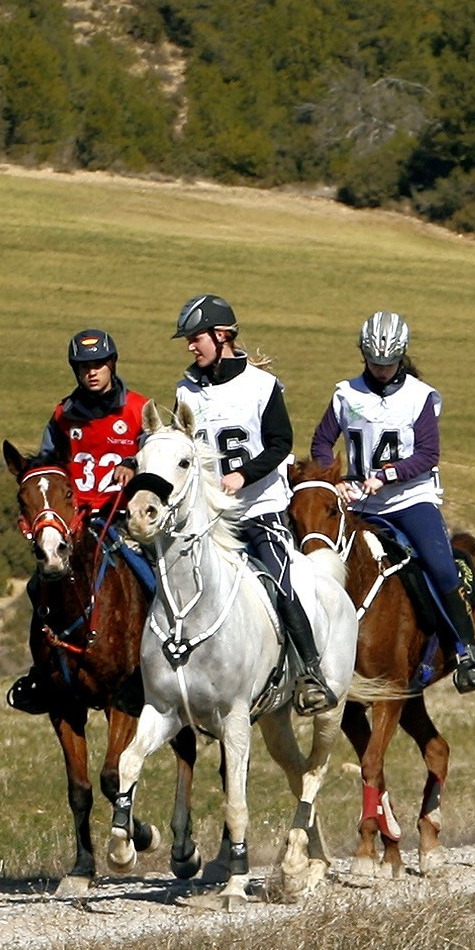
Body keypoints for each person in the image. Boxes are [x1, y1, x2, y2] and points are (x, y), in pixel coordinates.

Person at [311, 310, 475, 693]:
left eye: (388, 364)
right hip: (360, 504)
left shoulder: (419, 397)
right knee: (315, 558)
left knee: (441, 567)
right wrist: (334, 480)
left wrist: (387, 476)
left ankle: (466, 650)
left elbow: (428, 454)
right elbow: (322, 443)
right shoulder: (345, 394)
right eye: (374, 362)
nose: (381, 370)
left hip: (410, 499)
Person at [172, 294, 333, 714]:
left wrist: (243, 476)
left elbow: (281, 443)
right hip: (211, 518)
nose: (190, 347)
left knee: (280, 584)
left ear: (221, 336)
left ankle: (310, 672)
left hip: (260, 511)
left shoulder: (262, 387)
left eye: (195, 338)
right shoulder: (185, 390)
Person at [7, 327, 155, 714]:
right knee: (40, 585)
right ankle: (43, 674)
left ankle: (162, 663)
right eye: (84, 366)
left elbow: (159, 450)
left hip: (126, 518)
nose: (92, 372)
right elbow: (47, 463)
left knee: (152, 576)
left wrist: (133, 462)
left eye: (99, 364)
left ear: (112, 365)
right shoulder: (63, 415)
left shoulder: (138, 408)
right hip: (78, 521)